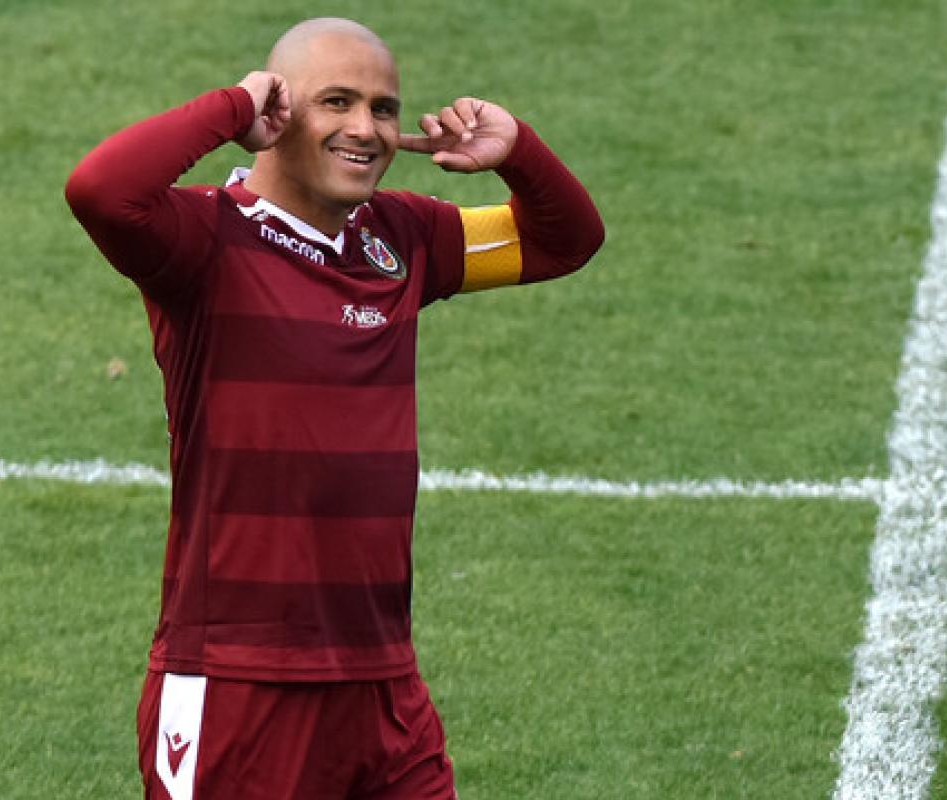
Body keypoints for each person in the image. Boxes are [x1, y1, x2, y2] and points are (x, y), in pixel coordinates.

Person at [65, 16, 602, 800]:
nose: (366, 129)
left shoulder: (403, 238)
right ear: (280, 111)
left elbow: (565, 241)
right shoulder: (203, 240)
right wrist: (231, 107)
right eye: (337, 102)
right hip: (239, 684)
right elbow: (100, 191)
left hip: (382, 685)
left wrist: (516, 149)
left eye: (384, 109)